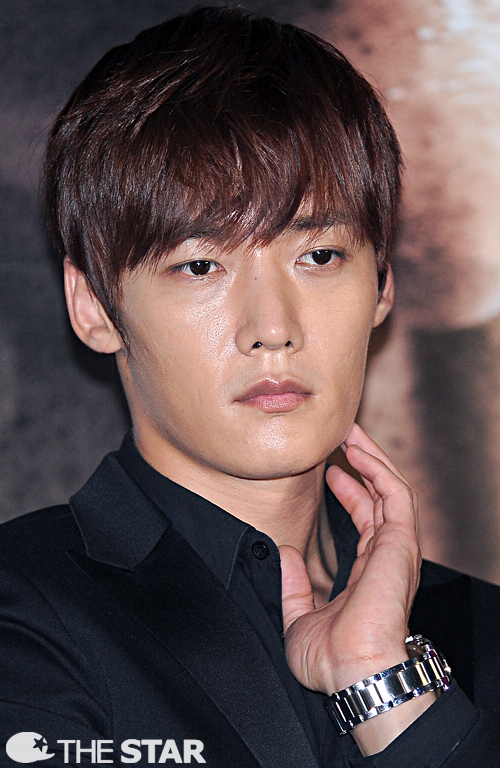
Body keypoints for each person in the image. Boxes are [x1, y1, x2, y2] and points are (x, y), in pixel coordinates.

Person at [1, 5, 499, 766]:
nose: (273, 327)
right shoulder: (23, 614)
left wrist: (383, 682)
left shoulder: (483, 630)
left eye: (320, 256)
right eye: (201, 265)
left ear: (382, 284)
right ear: (94, 306)